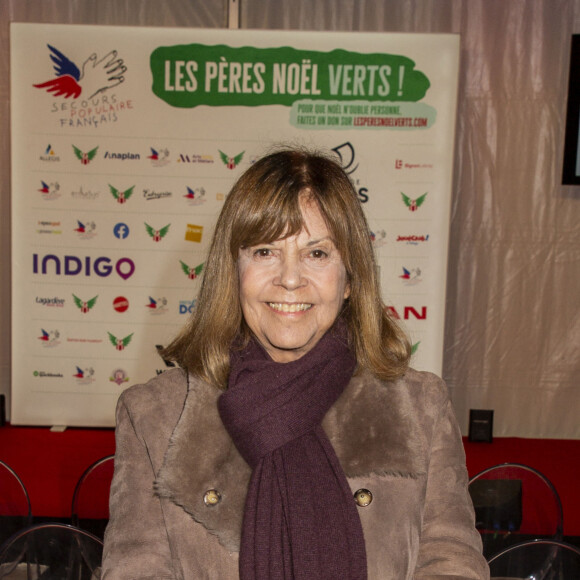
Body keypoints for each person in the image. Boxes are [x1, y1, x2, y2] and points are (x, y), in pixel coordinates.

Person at [101, 147, 489, 580]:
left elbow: (452, 563)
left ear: (349, 279)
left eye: (317, 254)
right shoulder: (154, 415)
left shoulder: (420, 406)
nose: (289, 278)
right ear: (232, 270)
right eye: (265, 251)